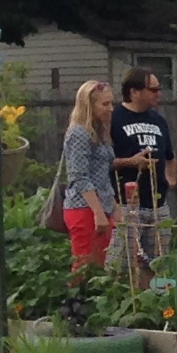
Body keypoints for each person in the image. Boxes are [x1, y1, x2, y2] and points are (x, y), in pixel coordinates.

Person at [110, 67, 177, 276]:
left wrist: (170, 181)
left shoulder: (158, 120)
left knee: (156, 266)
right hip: (127, 204)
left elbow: (170, 156)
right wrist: (131, 162)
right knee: (122, 267)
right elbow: (103, 161)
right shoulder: (115, 118)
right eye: (153, 89)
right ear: (134, 92)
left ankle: (151, 304)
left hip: (158, 205)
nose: (158, 93)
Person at [58, 80, 120, 274]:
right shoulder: (79, 133)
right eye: (105, 104)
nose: (110, 109)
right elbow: (79, 176)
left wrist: (114, 207)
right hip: (84, 209)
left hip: (101, 208)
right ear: (89, 106)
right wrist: (98, 212)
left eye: (112, 103)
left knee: (101, 268)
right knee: (84, 267)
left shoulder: (99, 132)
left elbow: (102, 175)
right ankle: (75, 303)